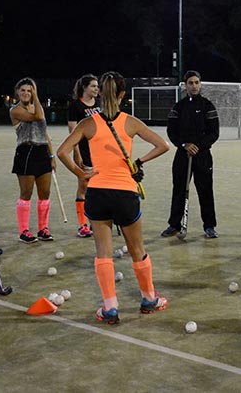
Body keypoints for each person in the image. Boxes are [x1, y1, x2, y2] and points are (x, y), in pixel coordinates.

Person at [57, 71, 169, 324]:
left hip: (97, 193)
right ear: (122, 95)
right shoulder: (131, 122)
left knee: (103, 253)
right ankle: (149, 299)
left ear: (101, 93)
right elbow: (163, 146)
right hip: (125, 193)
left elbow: (62, 151)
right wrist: (138, 161)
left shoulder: (89, 123)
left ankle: (110, 308)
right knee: (137, 249)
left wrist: (81, 173)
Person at [160, 70, 220, 239]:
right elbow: (171, 132)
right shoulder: (178, 107)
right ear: (185, 85)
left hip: (202, 156)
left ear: (200, 84)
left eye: (196, 83)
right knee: (179, 189)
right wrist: (184, 145)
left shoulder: (208, 106)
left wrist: (197, 146)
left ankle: (209, 226)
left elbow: (214, 133)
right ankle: (174, 225)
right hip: (182, 155)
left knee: (205, 190)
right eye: (190, 83)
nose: (194, 86)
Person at [9, 77, 56, 243]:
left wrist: (51, 155)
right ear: (17, 92)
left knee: (45, 193)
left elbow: (45, 133)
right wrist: (36, 98)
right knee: (26, 193)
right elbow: (37, 116)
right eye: (23, 90)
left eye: (30, 90)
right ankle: (24, 231)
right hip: (26, 152)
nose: (26, 93)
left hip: (42, 151)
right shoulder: (15, 110)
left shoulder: (38, 108)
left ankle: (43, 229)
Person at [67, 74, 101, 238]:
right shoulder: (75, 106)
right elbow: (73, 133)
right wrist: (77, 154)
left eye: (97, 86)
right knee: (84, 188)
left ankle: (97, 221)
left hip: (100, 154)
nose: (96, 89)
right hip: (85, 152)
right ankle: (83, 225)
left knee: (99, 189)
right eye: (93, 86)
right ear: (85, 88)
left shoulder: (100, 104)